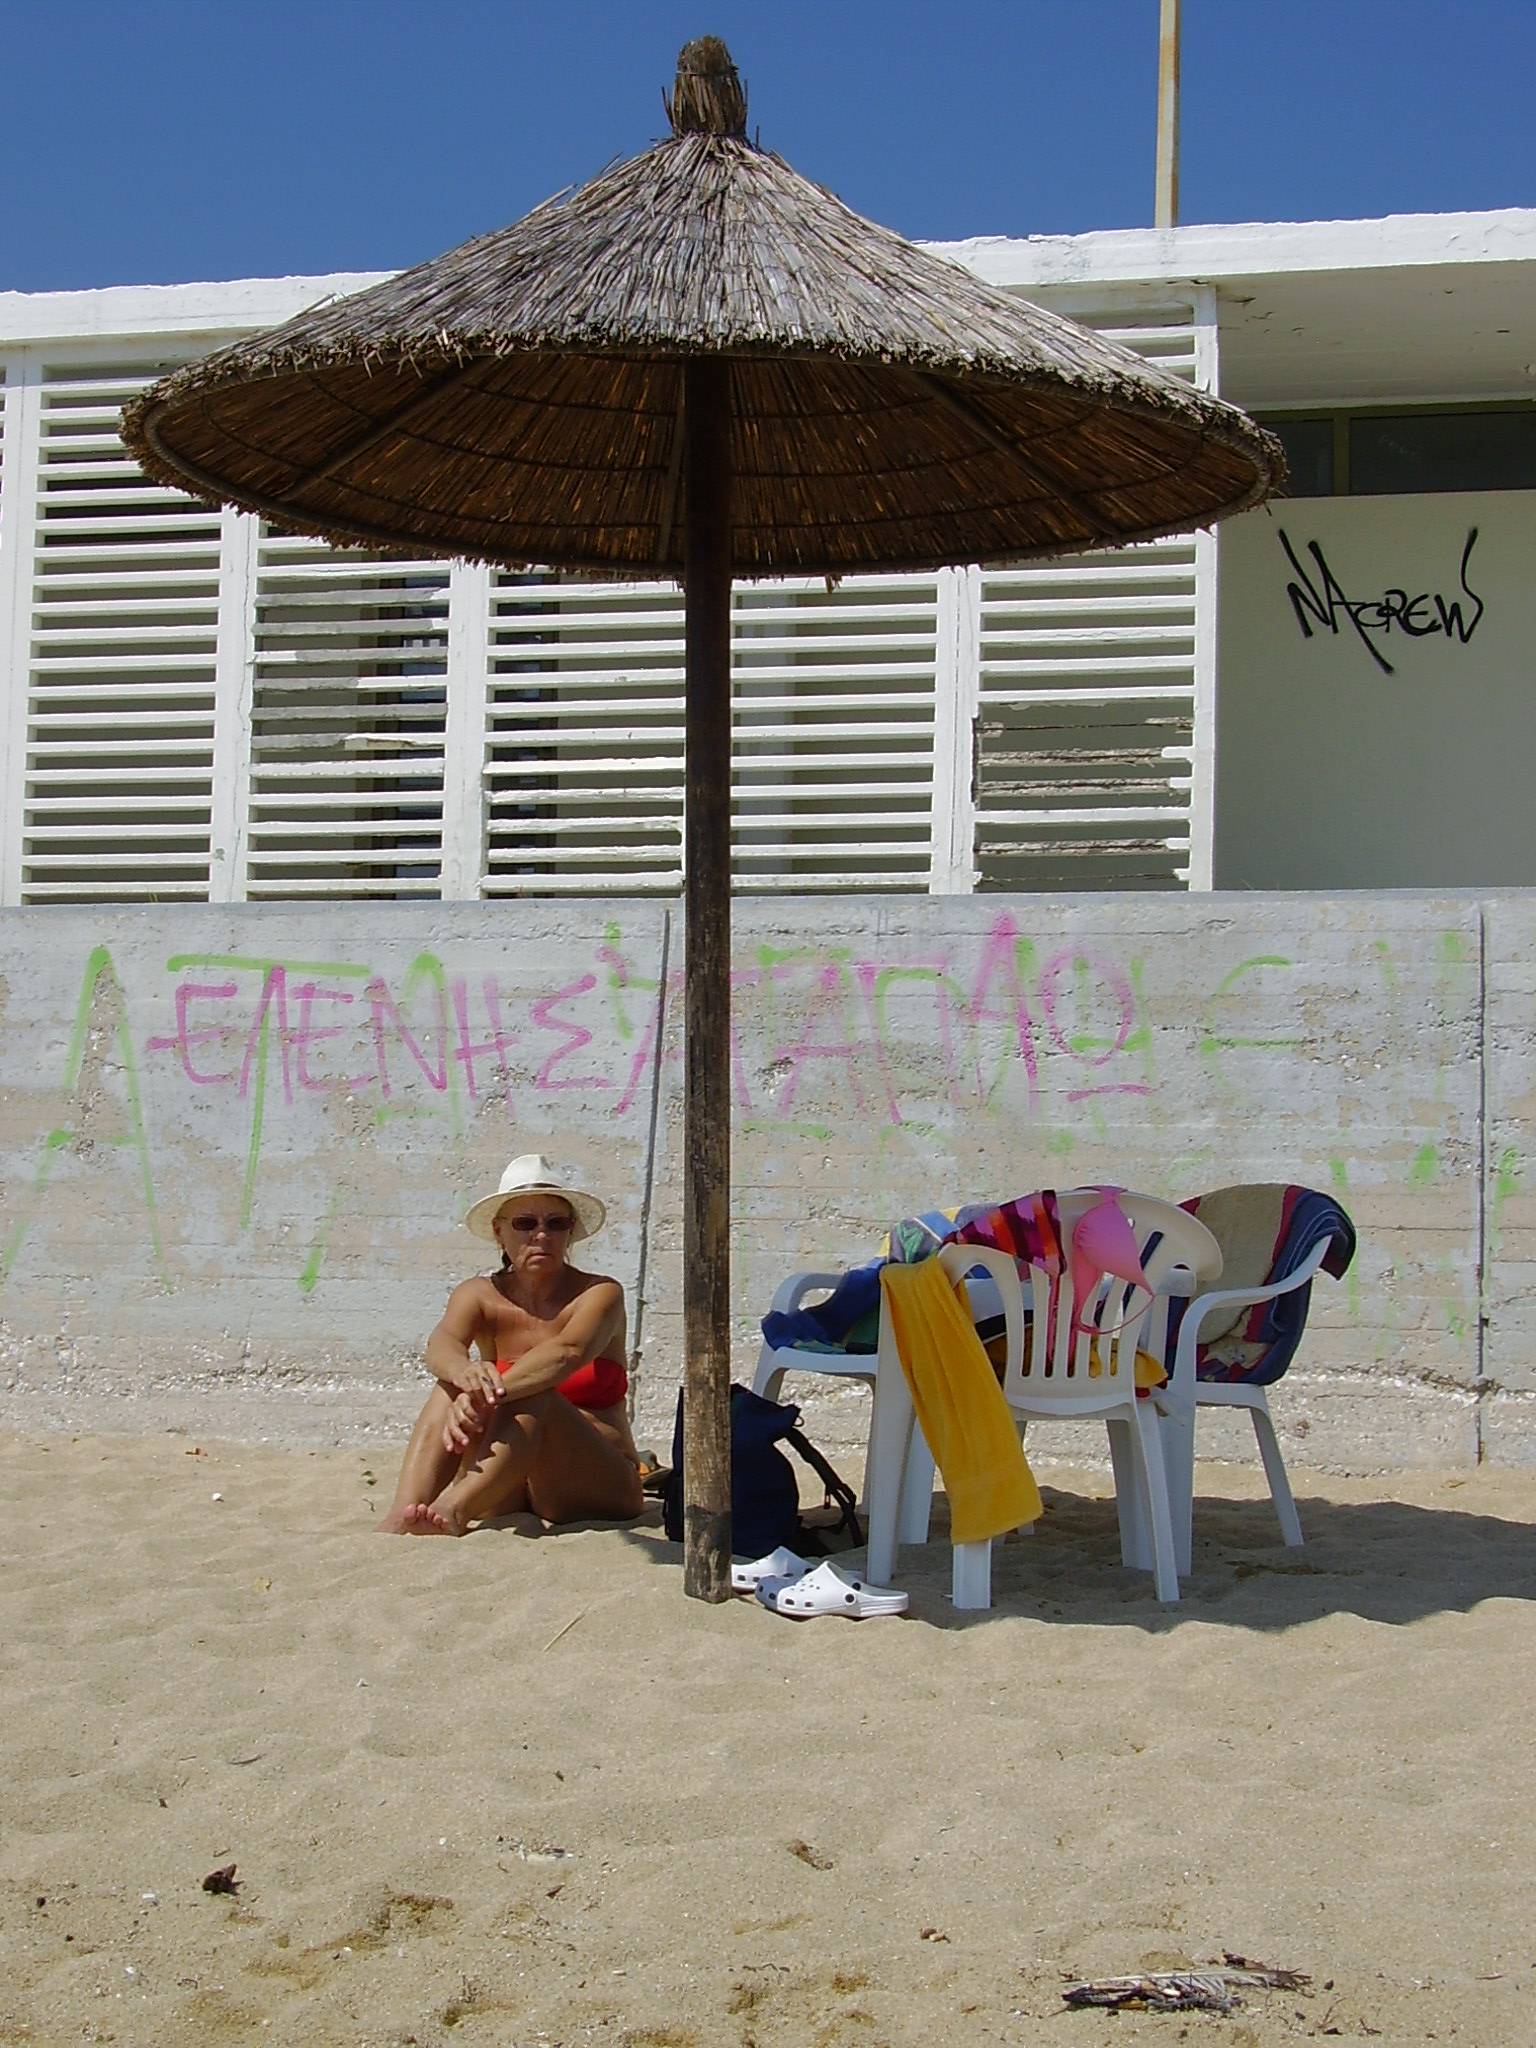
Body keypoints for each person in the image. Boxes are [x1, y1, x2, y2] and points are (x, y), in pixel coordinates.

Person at [380, 1154, 644, 1535]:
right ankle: (403, 1513)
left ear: (570, 1232)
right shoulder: (479, 1295)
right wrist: (465, 1376)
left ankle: (454, 1507)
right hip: (504, 1483)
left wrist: (485, 1396)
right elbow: (442, 1343)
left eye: (556, 1224)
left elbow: (567, 1352)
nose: (541, 1235)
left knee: (537, 1391)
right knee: (450, 1387)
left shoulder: (599, 1293)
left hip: (592, 1483)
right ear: (499, 1231)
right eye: (525, 1223)